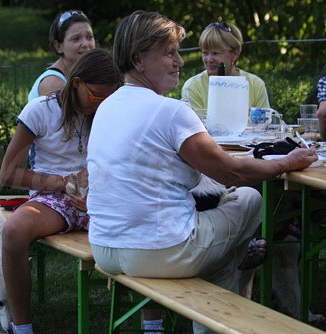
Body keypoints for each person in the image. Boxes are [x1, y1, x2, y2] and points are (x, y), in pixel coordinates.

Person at [86, 11, 318, 334]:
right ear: (139, 59)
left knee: (220, 239)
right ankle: (220, 311)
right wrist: (285, 163)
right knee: (249, 199)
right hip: (159, 251)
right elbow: (231, 172)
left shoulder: (107, 107)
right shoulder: (171, 112)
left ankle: (220, 299)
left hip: (105, 247)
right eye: (170, 53)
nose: (180, 61)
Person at [0, 48, 122, 334]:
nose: (101, 104)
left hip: (101, 198)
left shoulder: (109, 111)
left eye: (109, 98)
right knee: (14, 231)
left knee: (146, 219)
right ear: (76, 82)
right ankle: (22, 327)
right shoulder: (40, 110)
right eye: (96, 96)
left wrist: (92, 184)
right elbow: (8, 174)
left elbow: (120, 160)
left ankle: (151, 324)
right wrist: (63, 183)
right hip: (53, 200)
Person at [181, 21, 270, 111]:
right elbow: (195, 124)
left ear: (235, 53)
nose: (209, 59)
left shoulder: (255, 85)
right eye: (205, 53)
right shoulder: (193, 87)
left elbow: (266, 123)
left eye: (216, 53)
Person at [27, 10, 95, 101]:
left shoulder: (84, 74)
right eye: (76, 39)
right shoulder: (53, 84)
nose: (86, 44)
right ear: (58, 46)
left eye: (89, 37)